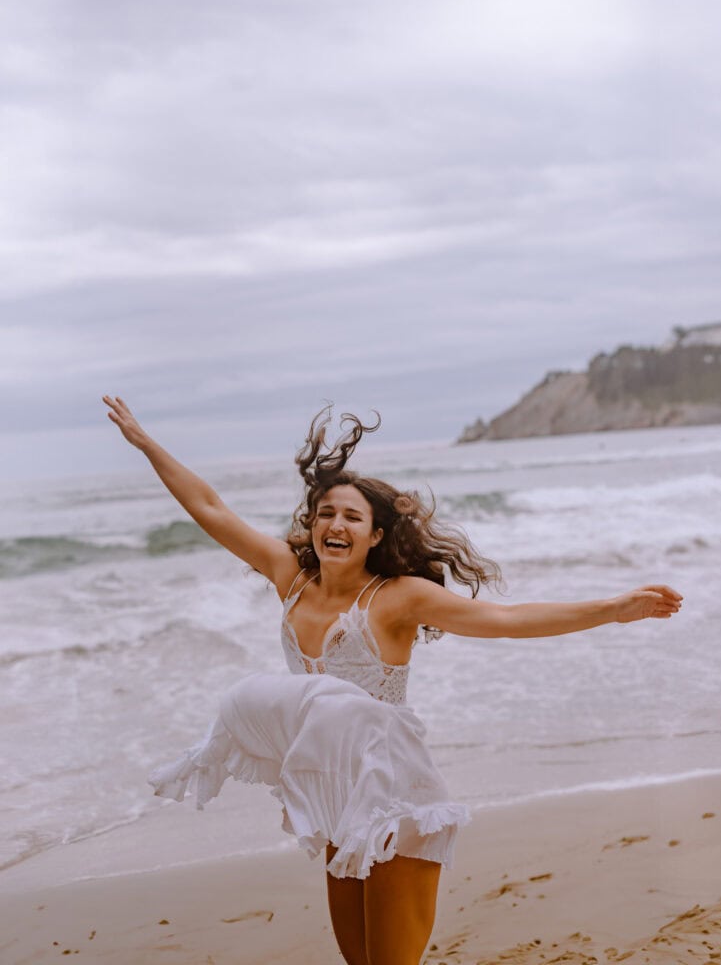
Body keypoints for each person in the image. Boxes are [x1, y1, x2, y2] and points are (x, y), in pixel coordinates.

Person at [102, 395, 683, 965]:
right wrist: (147, 444)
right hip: (339, 801)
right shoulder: (291, 577)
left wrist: (611, 608)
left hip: (399, 800)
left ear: (375, 536)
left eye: (352, 517)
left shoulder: (397, 598)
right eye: (326, 513)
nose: (335, 524)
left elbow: (506, 621)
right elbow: (212, 509)